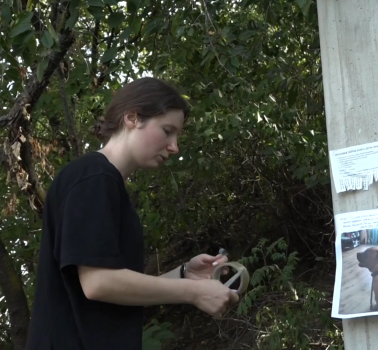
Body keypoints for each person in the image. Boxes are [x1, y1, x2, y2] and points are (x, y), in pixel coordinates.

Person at [25, 77, 239, 350]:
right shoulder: (93, 177)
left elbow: (113, 288)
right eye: (167, 130)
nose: (175, 146)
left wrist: (184, 274)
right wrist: (194, 292)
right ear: (132, 117)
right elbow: (99, 283)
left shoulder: (102, 182)